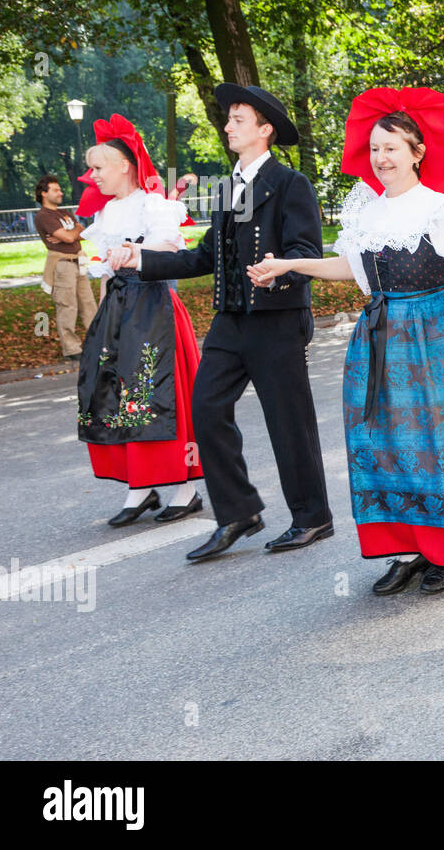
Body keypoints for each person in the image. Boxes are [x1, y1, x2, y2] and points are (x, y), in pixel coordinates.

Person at [249, 87, 444, 595]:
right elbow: (354, 267)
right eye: (374, 148)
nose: (380, 158)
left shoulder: (442, 207)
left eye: (391, 147)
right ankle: (406, 547)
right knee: (383, 441)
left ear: (417, 152)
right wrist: (288, 263)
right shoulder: (365, 212)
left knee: (436, 442)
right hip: (378, 334)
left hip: (435, 334)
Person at [118, 84, 333, 561]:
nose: (228, 126)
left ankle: (312, 516)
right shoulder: (227, 187)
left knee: (288, 422)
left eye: (237, 119)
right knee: (206, 408)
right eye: (228, 119)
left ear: (264, 130)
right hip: (230, 322)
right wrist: (140, 260)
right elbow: (204, 258)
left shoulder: (290, 184)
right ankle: (237, 512)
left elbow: (306, 253)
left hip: (277, 319)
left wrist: (279, 269)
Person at [75, 115, 203, 526]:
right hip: (117, 309)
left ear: (124, 166)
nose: (92, 176)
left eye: (98, 167)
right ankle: (139, 486)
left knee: (159, 392)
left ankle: (186, 488)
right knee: (115, 392)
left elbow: (170, 244)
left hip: (153, 306)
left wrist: (133, 249)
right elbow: (103, 269)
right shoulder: (108, 213)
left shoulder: (155, 204)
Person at [34, 174, 97, 361]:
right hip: (62, 265)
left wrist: (72, 232)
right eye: (55, 190)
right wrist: (73, 233)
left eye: (59, 189)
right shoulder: (43, 216)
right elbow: (70, 237)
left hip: (79, 262)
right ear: (44, 194)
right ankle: (72, 349)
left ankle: (97, 342)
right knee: (67, 306)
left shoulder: (65, 213)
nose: (60, 192)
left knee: (88, 304)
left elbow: (82, 232)